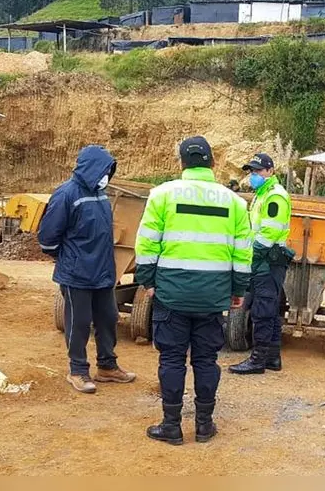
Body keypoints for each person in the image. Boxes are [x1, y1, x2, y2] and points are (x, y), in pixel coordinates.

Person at [134, 136, 253, 445]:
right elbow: (243, 252)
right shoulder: (235, 203)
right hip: (213, 297)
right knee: (206, 360)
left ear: (181, 163)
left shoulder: (161, 196)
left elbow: (146, 244)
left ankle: (171, 426)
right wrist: (238, 289)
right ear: (213, 164)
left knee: (171, 360)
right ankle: (203, 425)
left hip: (171, 294)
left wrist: (147, 281)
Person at [38, 145, 136, 394]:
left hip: (103, 271)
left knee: (108, 318)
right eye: (104, 169)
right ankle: (78, 370)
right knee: (79, 323)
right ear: (91, 169)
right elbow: (47, 238)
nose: (106, 175)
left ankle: (107, 366)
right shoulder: (66, 195)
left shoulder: (101, 194)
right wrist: (69, 258)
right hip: (77, 274)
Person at [229, 153, 293, 375]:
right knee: (270, 310)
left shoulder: (275, 196)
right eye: (252, 171)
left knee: (262, 312)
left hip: (267, 261)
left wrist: (251, 257)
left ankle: (257, 360)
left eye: (258, 171)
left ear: (270, 171)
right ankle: (272, 358)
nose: (254, 175)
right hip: (265, 261)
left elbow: (268, 233)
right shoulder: (262, 194)